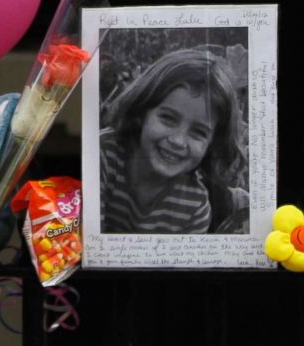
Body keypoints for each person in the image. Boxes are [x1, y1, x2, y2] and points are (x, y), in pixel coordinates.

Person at [99, 47, 248, 234]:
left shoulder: (195, 207)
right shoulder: (103, 155)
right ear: (142, 110)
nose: (178, 140)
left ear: (212, 145)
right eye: (168, 119)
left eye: (198, 132)